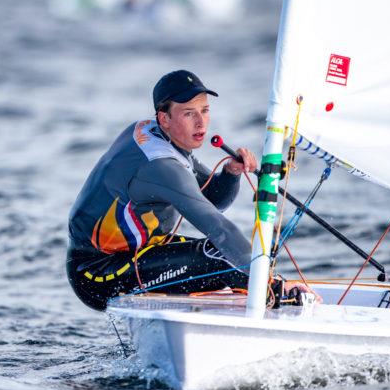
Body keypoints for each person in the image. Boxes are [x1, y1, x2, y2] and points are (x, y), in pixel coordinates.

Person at [66, 69, 260, 311]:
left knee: (228, 256)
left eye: (205, 111)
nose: (201, 122)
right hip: (97, 273)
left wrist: (230, 173)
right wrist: (269, 281)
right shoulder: (160, 165)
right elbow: (218, 226)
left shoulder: (150, 130)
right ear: (164, 118)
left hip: (137, 253)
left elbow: (212, 199)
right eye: (189, 113)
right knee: (222, 257)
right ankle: (273, 297)